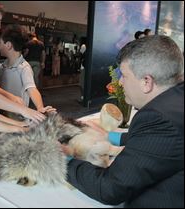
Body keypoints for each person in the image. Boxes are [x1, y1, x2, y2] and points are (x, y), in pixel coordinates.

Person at [61, 35, 184, 208]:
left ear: (146, 82)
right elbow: (162, 143)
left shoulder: (158, 117)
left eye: (124, 76)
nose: (120, 82)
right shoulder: (175, 100)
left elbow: (110, 188)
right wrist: (113, 137)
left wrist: (63, 159)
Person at [0, 24, 56, 118]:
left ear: (8, 45)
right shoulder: (3, 65)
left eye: (0, 43)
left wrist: (40, 107)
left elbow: (32, 89)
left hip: (17, 116)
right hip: (3, 113)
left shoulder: (24, 68)